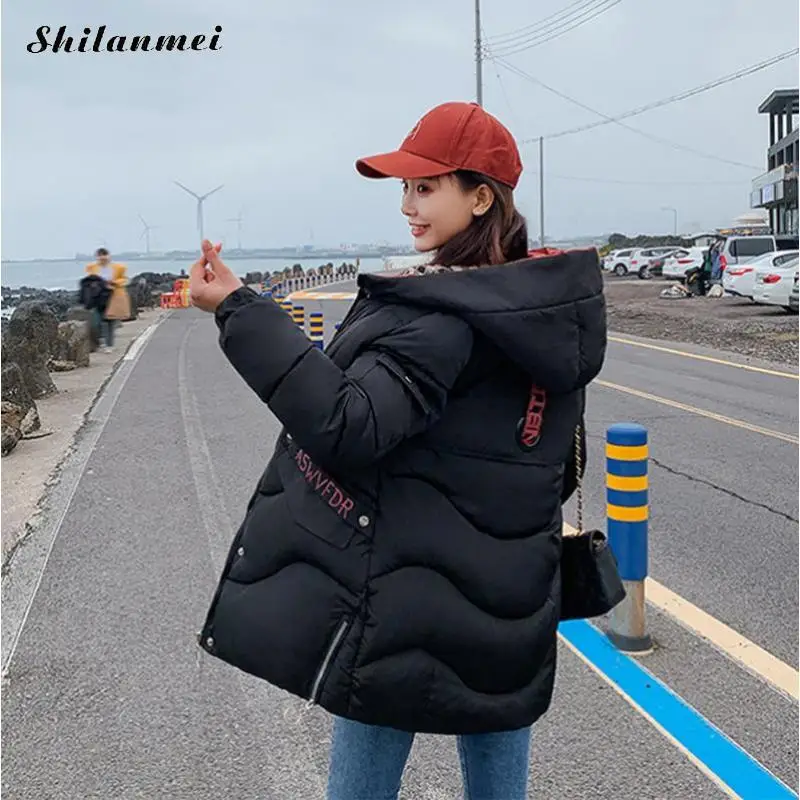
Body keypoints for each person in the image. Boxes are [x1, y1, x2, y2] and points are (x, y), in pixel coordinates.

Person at [189, 101, 607, 800]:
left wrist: (239, 310)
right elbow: (558, 465)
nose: (409, 206)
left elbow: (348, 425)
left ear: (480, 198)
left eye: (426, 187)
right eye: (405, 188)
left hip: (405, 603)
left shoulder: (440, 317)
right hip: (513, 601)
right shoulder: (545, 311)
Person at [84, 248, 131, 351]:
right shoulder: (92, 268)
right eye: (100, 256)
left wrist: (114, 282)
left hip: (112, 296)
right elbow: (90, 280)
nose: (103, 258)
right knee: (97, 321)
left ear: (108, 256)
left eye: (104, 255)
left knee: (110, 321)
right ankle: (101, 341)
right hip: (98, 296)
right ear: (97, 257)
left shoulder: (118, 268)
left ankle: (109, 344)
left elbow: (124, 279)